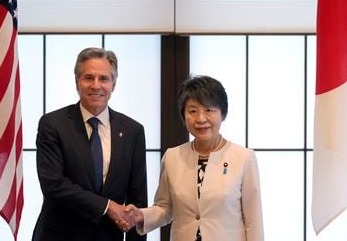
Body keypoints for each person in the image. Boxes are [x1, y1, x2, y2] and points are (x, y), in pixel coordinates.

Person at [128, 75, 264, 241]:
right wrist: (140, 215)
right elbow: (165, 208)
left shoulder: (243, 157)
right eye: (192, 111)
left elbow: (253, 221)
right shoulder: (172, 157)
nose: (201, 118)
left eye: (209, 110)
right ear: (184, 115)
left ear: (223, 113)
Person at [32, 47, 148, 241]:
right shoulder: (53, 124)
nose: (96, 85)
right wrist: (108, 206)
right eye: (88, 78)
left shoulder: (133, 131)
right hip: (59, 235)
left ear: (114, 84)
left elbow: (137, 200)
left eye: (103, 78)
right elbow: (53, 185)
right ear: (77, 82)